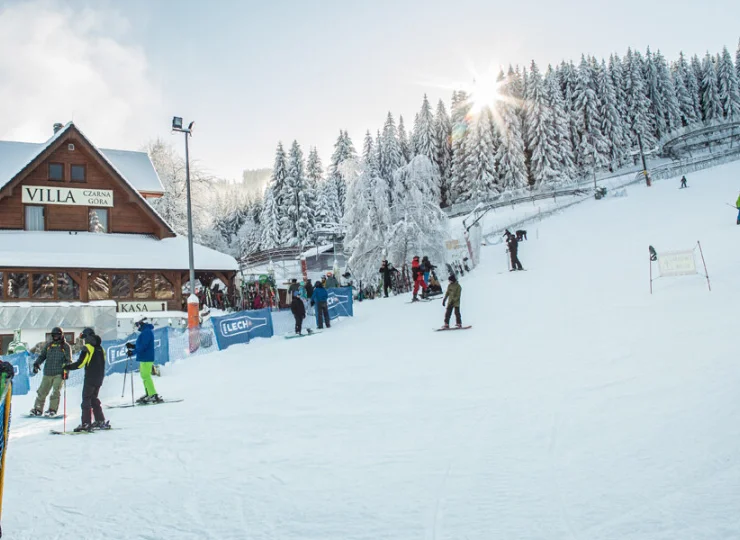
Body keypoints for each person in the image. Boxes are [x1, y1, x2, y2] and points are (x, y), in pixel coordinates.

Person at [63, 328, 109, 432]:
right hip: (99, 377)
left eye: (84, 338)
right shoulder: (101, 348)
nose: (83, 340)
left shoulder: (87, 348)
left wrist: (68, 367)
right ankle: (100, 420)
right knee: (94, 399)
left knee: (86, 400)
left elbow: (81, 364)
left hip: (90, 377)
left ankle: (86, 423)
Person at [30, 327, 71, 417]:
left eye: (57, 335)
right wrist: (37, 363)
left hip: (59, 373)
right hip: (47, 372)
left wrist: (66, 372)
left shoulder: (65, 346)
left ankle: (52, 410)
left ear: (61, 335)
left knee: (55, 392)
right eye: (54, 335)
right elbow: (42, 356)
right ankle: (38, 409)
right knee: (42, 391)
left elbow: (68, 360)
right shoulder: (48, 345)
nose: (55, 337)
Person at [131, 316, 162, 404]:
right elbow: (142, 345)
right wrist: (133, 346)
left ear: (141, 323)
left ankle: (152, 394)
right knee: (144, 376)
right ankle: (149, 393)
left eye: (137, 324)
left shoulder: (147, 332)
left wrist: (133, 352)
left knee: (146, 376)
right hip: (144, 357)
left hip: (146, 357)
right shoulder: (145, 332)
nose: (137, 327)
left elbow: (143, 346)